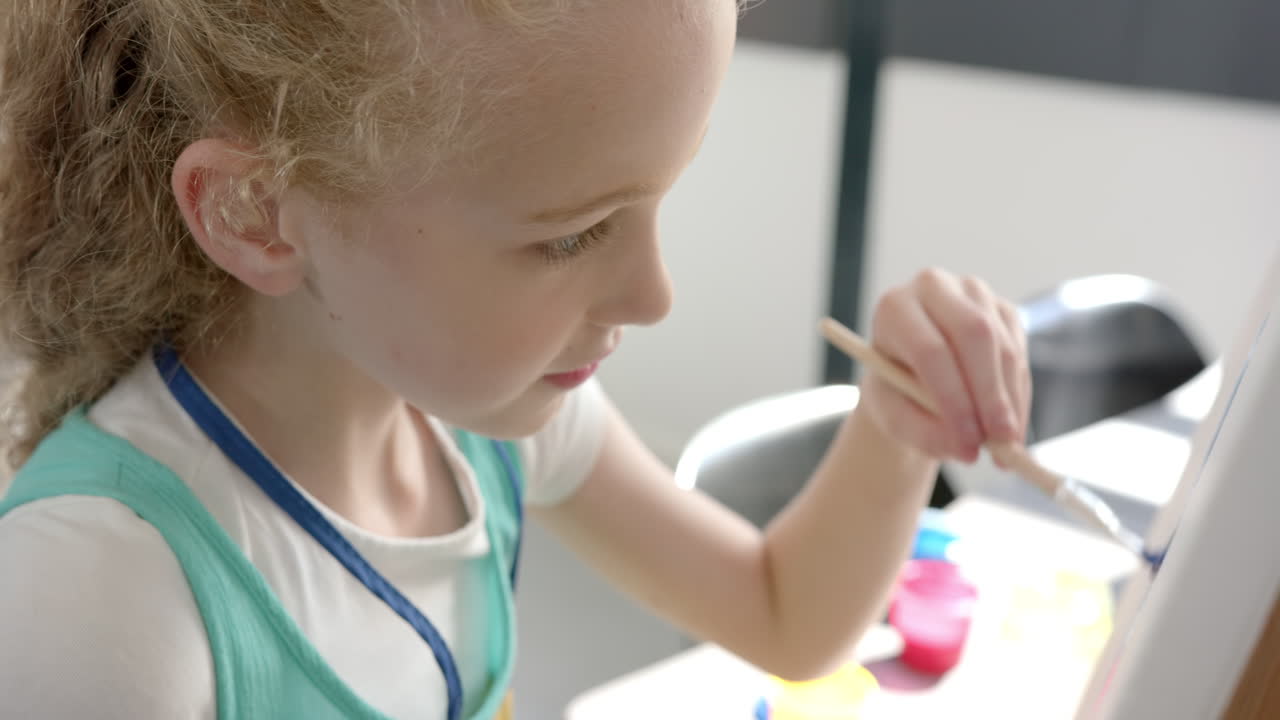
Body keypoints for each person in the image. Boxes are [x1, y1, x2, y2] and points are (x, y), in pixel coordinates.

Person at [0, 1, 1030, 718]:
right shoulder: (101, 601)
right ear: (255, 213)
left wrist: (894, 432)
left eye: (657, 200)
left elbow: (784, 615)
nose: (654, 296)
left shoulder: (474, 422)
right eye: (574, 234)